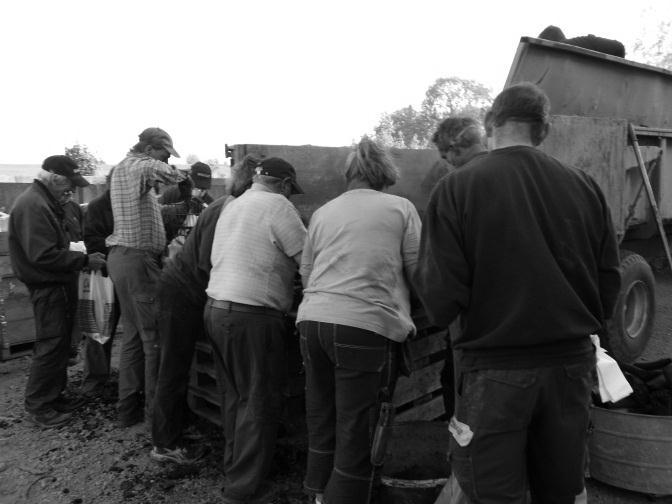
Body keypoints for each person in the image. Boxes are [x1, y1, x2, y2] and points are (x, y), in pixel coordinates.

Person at [414, 82, 621, 503]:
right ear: (543, 131)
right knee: (561, 490)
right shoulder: (584, 186)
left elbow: (440, 298)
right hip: (570, 370)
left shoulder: (456, 189)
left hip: (495, 373)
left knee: (492, 492)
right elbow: (609, 279)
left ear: (490, 125)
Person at [296, 138, 421, 504]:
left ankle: (317, 495)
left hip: (312, 322)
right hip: (363, 327)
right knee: (357, 427)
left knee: (321, 415)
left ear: (350, 176)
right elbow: (417, 270)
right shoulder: (400, 208)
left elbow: (306, 270)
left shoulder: (323, 212)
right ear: (385, 174)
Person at [204, 157, 306, 504]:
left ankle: (235, 470)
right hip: (253, 316)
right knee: (258, 400)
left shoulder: (234, 205)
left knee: (235, 397)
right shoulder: (279, 206)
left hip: (217, 308)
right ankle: (244, 490)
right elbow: (308, 261)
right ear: (286, 184)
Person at [150, 155, 258, 465]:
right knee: (172, 366)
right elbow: (206, 263)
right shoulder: (226, 208)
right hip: (180, 292)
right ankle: (164, 444)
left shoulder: (229, 206)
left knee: (178, 364)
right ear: (251, 184)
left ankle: (176, 428)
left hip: (188, 289)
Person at [8, 155, 106, 428]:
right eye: (68, 183)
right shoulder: (33, 205)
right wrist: (84, 260)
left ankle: (53, 397)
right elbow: (42, 255)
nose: (70, 190)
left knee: (61, 344)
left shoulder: (44, 202)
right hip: (49, 285)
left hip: (58, 282)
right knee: (51, 344)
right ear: (53, 176)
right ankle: (39, 406)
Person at [106, 127, 185, 428]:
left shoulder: (125, 174)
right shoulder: (139, 166)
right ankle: (157, 419)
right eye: (165, 153)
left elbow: (150, 209)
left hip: (124, 259)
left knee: (133, 339)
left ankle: (128, 411)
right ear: (151, 148)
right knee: (154, 340)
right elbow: (162, 171)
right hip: (138, 262)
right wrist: (180, 176)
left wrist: (174, 207)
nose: (166, 158)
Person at [430, 116, 487, 418]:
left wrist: (440, 313)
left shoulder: (452, 188)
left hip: (478, 330)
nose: (447, 164)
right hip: (543, 332)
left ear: (455, 150)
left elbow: (440, 273)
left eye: (445, 157)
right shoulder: (523, 177)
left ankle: (462, 455)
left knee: (459, 390)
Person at [80, 177, 121, 397]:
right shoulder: (98, 207)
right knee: (101, 329)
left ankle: (113, 378)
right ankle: (94, 383)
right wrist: (117, 251)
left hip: (126, 275)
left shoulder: (133, 203)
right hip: (106, 277)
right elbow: (92, 241)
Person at [160, 162, 214, 244]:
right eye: (196, 188)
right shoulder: (171, 195)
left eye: (203, 189)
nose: (199, 192)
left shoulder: (210, 205)